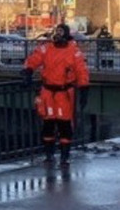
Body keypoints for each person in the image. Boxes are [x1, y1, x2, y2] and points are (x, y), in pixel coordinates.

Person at [22, 23, 90, 166]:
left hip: (64, 94)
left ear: (66, 34)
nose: (57, 34)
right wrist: (28, 71)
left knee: (65, 125)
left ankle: (64, 157)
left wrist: (84, 89)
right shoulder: (47, 48)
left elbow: (82, 71)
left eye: (60, 31)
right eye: (56, 31)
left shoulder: (74, 51)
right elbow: (34, 58)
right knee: (48, 124)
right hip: (47, 92)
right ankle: (49, 155)